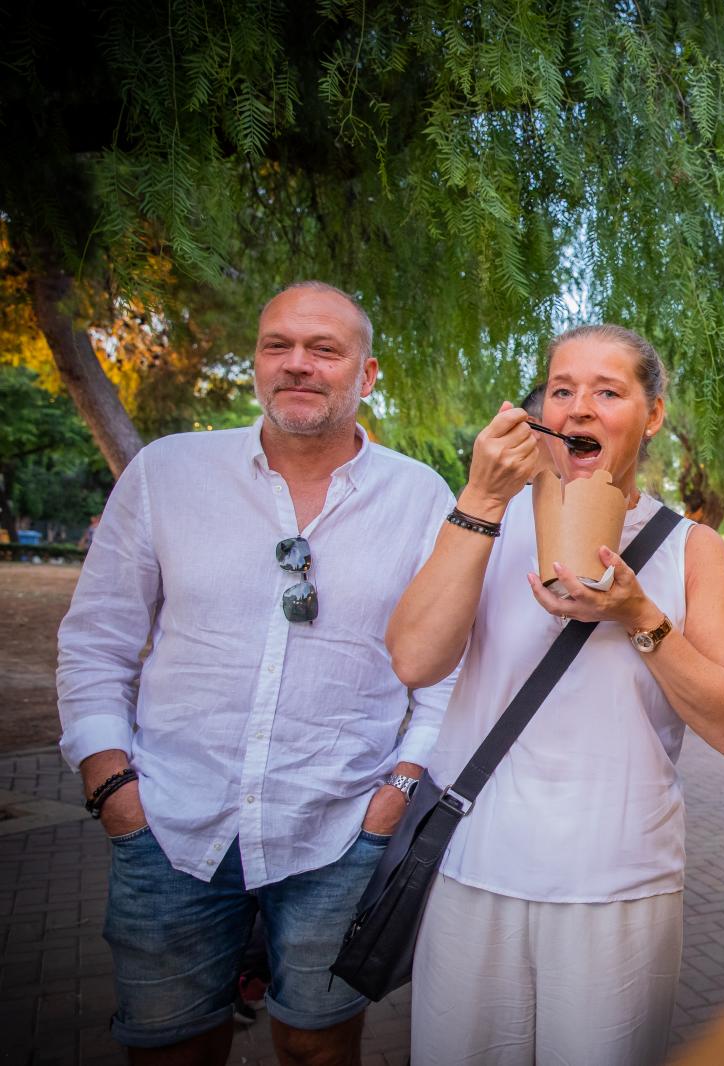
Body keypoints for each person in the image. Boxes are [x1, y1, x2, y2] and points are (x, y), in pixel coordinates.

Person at [55, 280, 458, 1062]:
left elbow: (444, 672)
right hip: (169, 825)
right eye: (278, 345)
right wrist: (112, 789)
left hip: (339, 831)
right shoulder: (167, 473)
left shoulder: (420, 497)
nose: (297, 364)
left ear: (367, 375)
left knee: (318, 1048)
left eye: (325, 349)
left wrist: (395, 796)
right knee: (172, 1048)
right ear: (256, 364)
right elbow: (98, 639)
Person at [386, 323, 724, 1066]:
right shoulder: (483, 518)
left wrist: (638, 617)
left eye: (608, 391)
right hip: (473, 866)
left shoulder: (692, 548)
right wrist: (481, 500)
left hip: (616, 880)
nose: (579, 408)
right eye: (562, 390)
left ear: (651, 415)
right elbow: (414, 662)